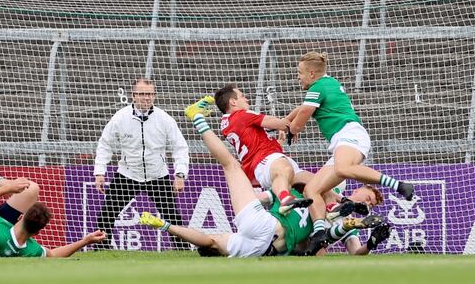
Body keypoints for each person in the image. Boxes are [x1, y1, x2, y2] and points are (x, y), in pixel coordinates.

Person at [137, 99, 384, 257]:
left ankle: (198, 119)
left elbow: (209, 238)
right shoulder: (314, 191)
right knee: (294, 181)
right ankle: (329, 209)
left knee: (236, 168)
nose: (368, 202)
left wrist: (166, 226)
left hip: (265, 229)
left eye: (369, 203)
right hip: (271, 232)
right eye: (369, 198)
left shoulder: (308, 199)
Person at [285, 51, 413, 254]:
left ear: (311, 73)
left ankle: (398, 185)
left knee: (343, 168)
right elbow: (301, 109)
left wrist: (291, 130)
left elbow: (302, 116)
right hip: (342, 141)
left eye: (299, 72)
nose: (297, 76)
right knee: (311, 190)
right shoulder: (326, 84)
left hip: (349, 134)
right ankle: (319, 232)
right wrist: (286, 123)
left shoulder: (319, 86)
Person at [0, 126, 106, 257]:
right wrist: (85, 241)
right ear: (37, 232)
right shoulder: (29, 250)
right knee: (31, 189)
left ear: (21, 216)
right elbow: (54, 254)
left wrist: (8, 188)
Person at [93, 78, 191, 250]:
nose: (147, 98)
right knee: (105, 216)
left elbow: (180, 147)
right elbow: (105, 144)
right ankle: (100, 251)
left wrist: (180, 174)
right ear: (133, 96)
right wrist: (100, 172)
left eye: (151, 94)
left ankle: (183, 250)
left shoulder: (165, 119)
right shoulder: (120, 118)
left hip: (157, 175)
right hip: (127, 175)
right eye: (143, 94)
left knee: (173, 218)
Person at [208, 84, 313, 214]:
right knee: (284, 170)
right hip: (264, 159)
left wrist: (279, 140)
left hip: (267, 159)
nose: (247, 99)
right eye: (242, 96)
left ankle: (336, 204)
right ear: (233, 102)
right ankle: (283, 198)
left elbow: (254, 143)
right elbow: (281, 124)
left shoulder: (227, 123)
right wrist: (296, 120)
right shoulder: (242, 115)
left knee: (313, 183)